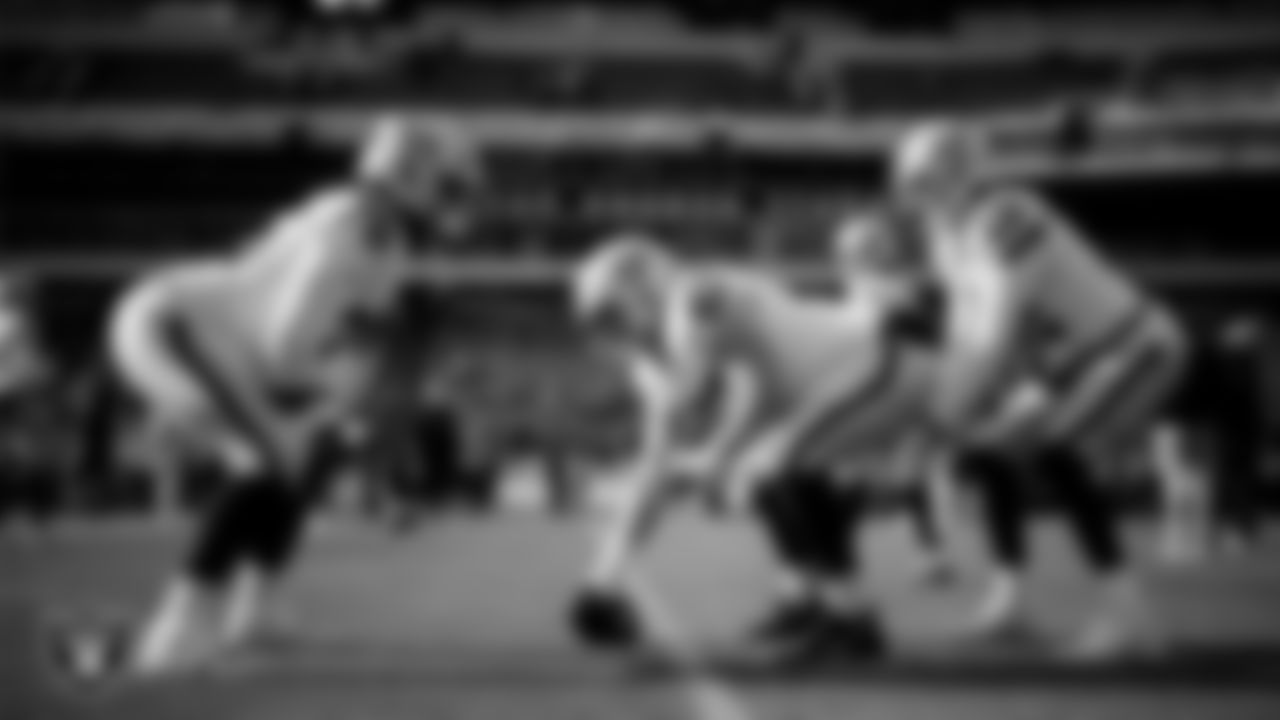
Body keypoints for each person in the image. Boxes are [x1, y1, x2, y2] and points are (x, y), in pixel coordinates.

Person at [62, 116, 484, 679]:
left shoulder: (374, 231)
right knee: (274, 458)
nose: (454, 202)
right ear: (409, 178)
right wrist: (335, 394)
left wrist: (337, 409)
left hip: (218, 336)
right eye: (448, 186)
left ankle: (257, 601)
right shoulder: (353, 235)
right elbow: (286, 346)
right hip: (176, 328)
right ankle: (179, 624)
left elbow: (316, 335)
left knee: (304, 456)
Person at [567, 233, 938, 663]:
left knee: (776, 469)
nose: (616, 332)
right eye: (603, 323)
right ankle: (814, 603)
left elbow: (725, 389)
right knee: (769, 476)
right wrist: (603, 578)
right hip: (841, 381)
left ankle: (851, 619)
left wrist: (711, 459)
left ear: (645, 286)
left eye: (613, 314)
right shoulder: (658, 356)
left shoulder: (696, 295)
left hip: (877, 361)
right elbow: (662, 464)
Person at [892, 121, 1188, 659]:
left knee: (1053, 452)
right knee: (994, 454)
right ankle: (1010, 600)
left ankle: (1133, 617)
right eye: (915, 179)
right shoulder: (944, 233)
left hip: (1131, 345)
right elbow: (965, 327)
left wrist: (943, 417)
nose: (921, 190)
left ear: (963, 171)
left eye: (932, 176)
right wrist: (954, 404)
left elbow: (999, 328)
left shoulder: (1006, 215)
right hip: (1067, 361)